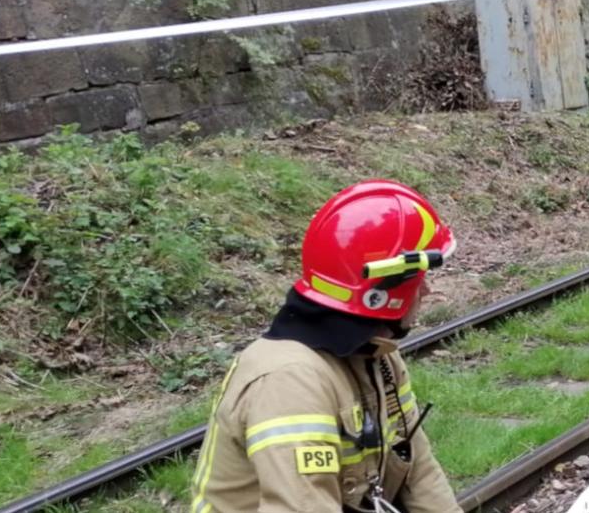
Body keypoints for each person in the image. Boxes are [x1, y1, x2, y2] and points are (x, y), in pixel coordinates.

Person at [188, 181, 464, 513]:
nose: (427, 291)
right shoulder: (289, 383)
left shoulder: (379, 354)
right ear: (384, 288)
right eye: (418, 279)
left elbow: (419, 473)